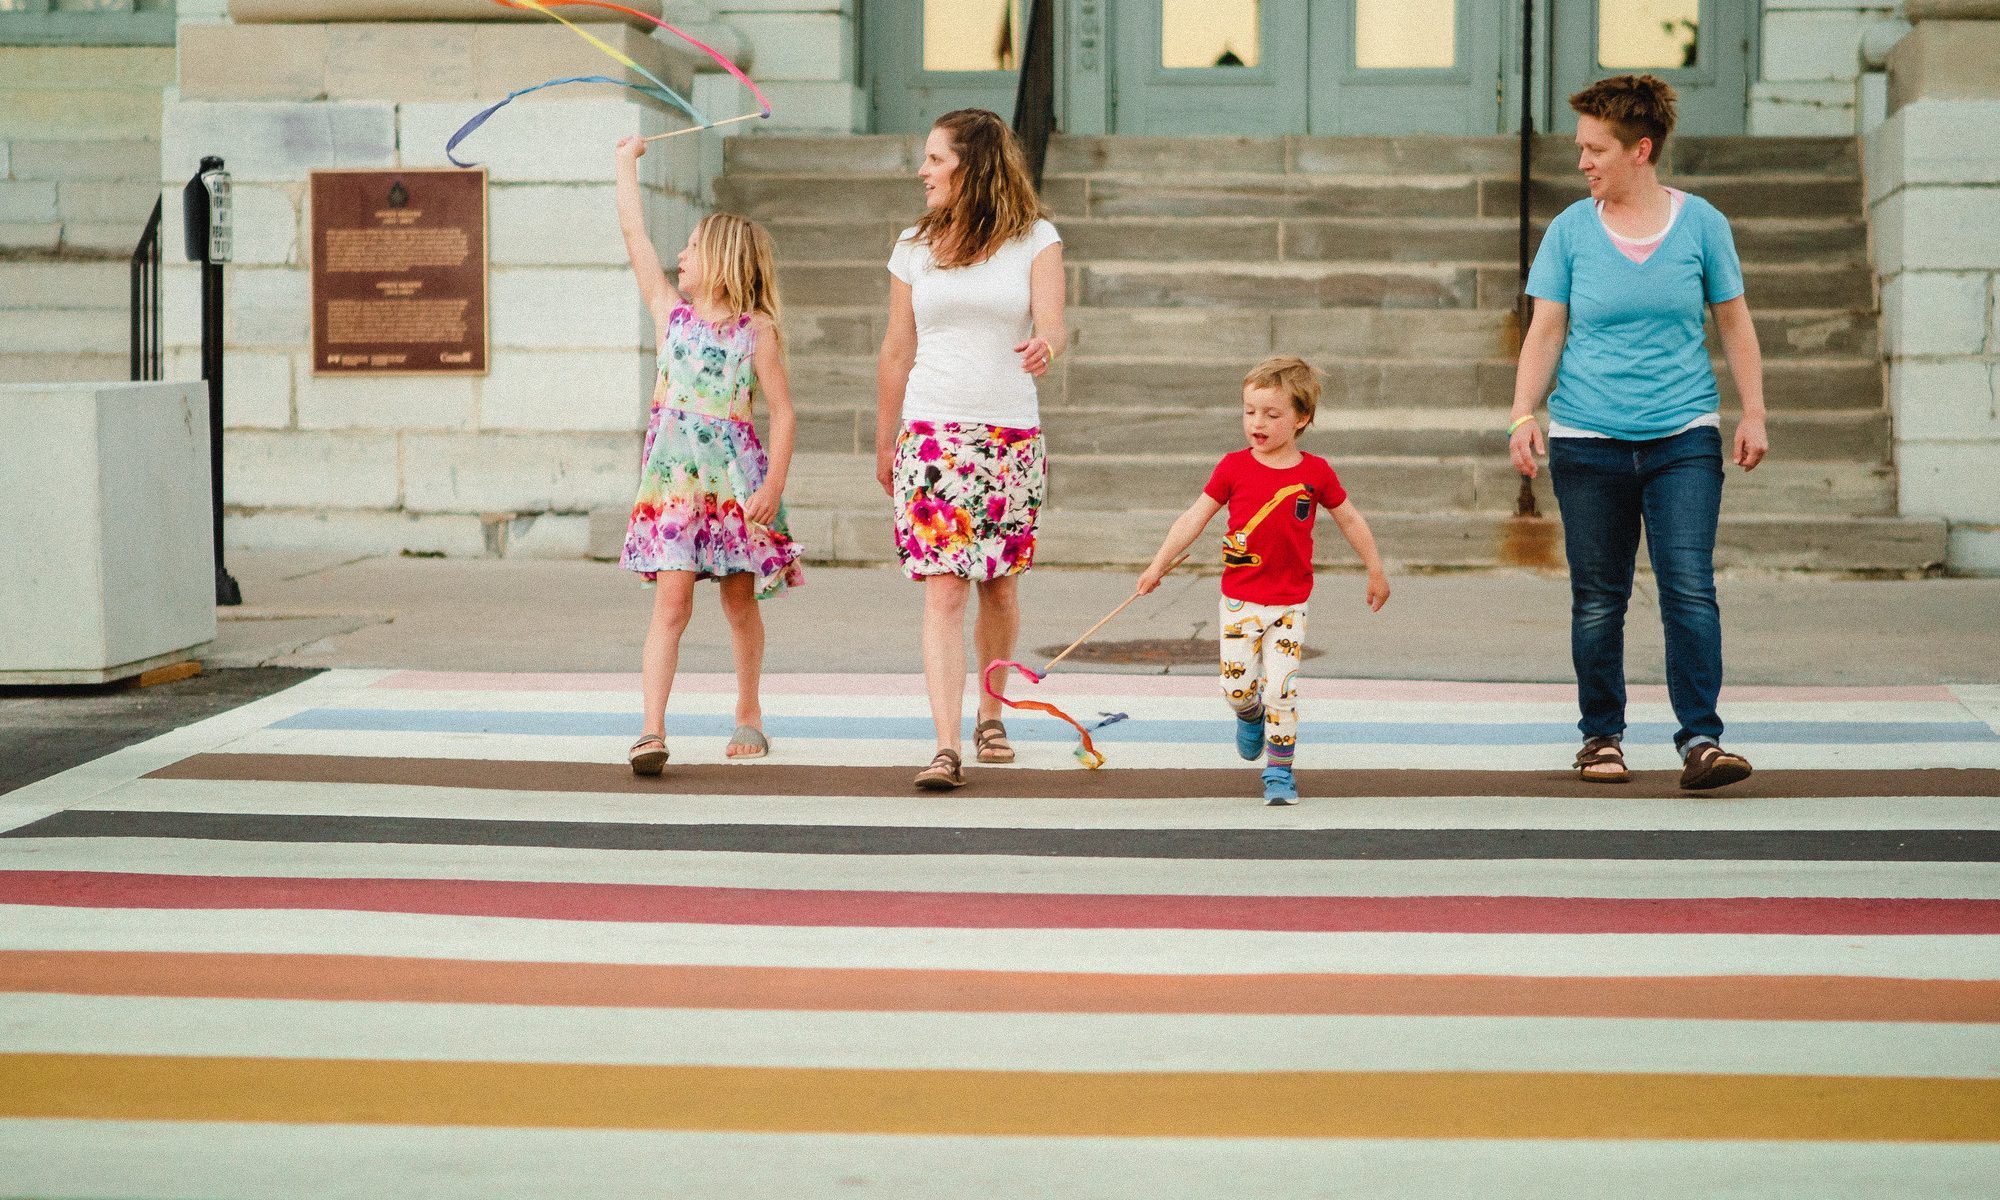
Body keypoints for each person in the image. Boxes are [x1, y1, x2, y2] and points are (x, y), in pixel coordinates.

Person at [1507, 74, 1768, 790]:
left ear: (1640, 150)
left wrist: (1755, 410)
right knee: (1599, 597)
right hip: (1587, 441)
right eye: (1581, 148)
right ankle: (1601, 738)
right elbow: (1546, 330)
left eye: (1596, 148)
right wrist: (1522, 413)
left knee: (1688, 586)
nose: (1584, 161)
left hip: (1682, 435)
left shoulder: (1703, 225)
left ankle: (1703, 741)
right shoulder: (1569, 231)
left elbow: (1734, 322)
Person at [875, 108, 1066, 791]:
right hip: (931, 435)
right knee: (944, 590)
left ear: (972, 165)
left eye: (934, 159)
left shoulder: (1035, 239)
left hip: (1008, 434)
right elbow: (897, 349)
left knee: (1000, 585)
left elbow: (1053, 323)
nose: (922, 171)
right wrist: (884, 440)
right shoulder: (912, 246)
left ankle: (992, 711)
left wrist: (1046, 343)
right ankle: (946, 745)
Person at [614, 134, 803, 776]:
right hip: (674, 491)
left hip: (733, 489)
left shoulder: (757, 332)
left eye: (690, 248)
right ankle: (650, 729)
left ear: (719, 259)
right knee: (671, 603)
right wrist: (623, 166)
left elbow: (783, 412)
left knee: (738, 602)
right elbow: (636, 240)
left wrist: (773, 484)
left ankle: (748, 712)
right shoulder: (671, 315)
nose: (678, 257)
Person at [1137, 357, 1390, 806]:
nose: (1258, 422)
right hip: (1240, 600)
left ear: (1302, 419)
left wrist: (1374, 568)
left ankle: (1279, 771)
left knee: (1281, 689)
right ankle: (1249, 716)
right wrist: (1157, 564)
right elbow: (1194, 517)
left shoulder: (1315, 473)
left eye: (1273, 415)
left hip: (1290, 602)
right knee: (1237, 689)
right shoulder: (1233, 467)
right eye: (1250, 411)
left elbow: (1350, 519)